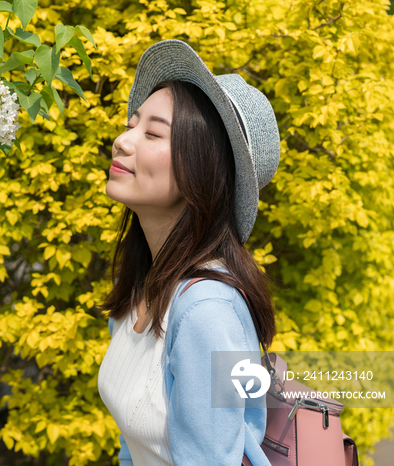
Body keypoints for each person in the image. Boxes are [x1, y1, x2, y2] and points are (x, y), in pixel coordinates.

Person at [97, 40, 281, 466]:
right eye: (131, 124)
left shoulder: (207, 311)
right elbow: (133, 447)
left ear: (201, 167)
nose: (123, 141)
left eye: (152, 133)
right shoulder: (141, 290)